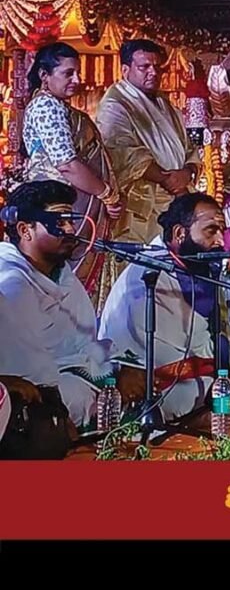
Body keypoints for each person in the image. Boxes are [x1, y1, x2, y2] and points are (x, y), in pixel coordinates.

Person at [99, 193, 230, 423]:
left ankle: (222, 405)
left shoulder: (198, 267)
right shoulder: (149, 276)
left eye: (222, 232)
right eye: (211, 231)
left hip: (202, 370)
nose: (222, 242)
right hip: (159, 380)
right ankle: (220, 407)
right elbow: (164, 362)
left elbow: (213, 340)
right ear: (179, 234)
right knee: (184, 395)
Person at [0, 181, 141, 428]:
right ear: (25, 230)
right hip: (45, 387)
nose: (70, 229)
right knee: (71, 395)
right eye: (58, 222)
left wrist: (123, 367)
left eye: (70, 220)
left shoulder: (61, 273)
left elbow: (86, 342)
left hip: (80, 371)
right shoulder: (12, 282)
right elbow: (27, 370)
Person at [20, 42, 123, 305]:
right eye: (68, 73)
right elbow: (66, 164)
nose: (77, 80)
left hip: (70, 206)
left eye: (77, 73)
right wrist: (108, 195)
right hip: (58, 208)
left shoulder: (58, 106)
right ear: (45, 75)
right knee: (63, 288)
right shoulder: (47, 107)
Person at [95, 39, 200, 245]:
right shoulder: (115, 104)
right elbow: (121, 152)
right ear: (125, 70)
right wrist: (169, 180)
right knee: (144, 268)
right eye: (144, 67)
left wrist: (187, 172)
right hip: (144, 201)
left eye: (157, 67)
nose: (153, 72)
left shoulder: (164, 102)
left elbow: (189, 147)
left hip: (176, 196)